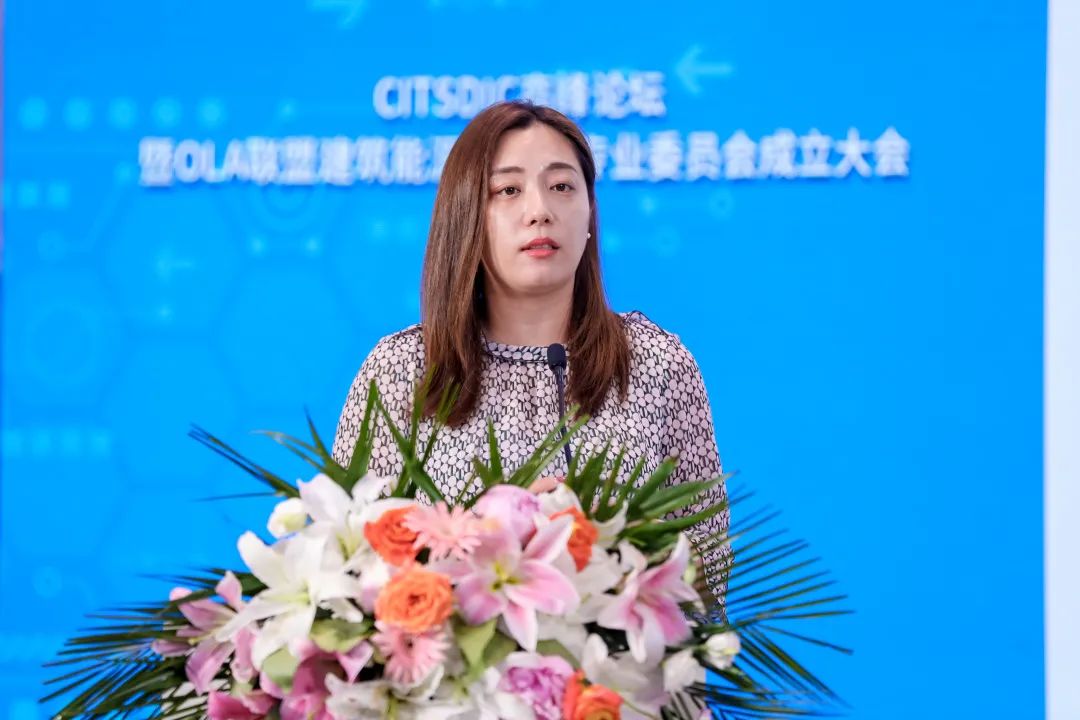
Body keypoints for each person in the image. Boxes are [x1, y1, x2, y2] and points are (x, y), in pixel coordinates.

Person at [331, 100, 729, 606]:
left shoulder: (654, 362)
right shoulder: (403, 370)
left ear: (590, 214)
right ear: (467, 216)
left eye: (562, 186)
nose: (540, 210)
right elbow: (349, 572)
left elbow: (705, 570)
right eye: (508, 190)